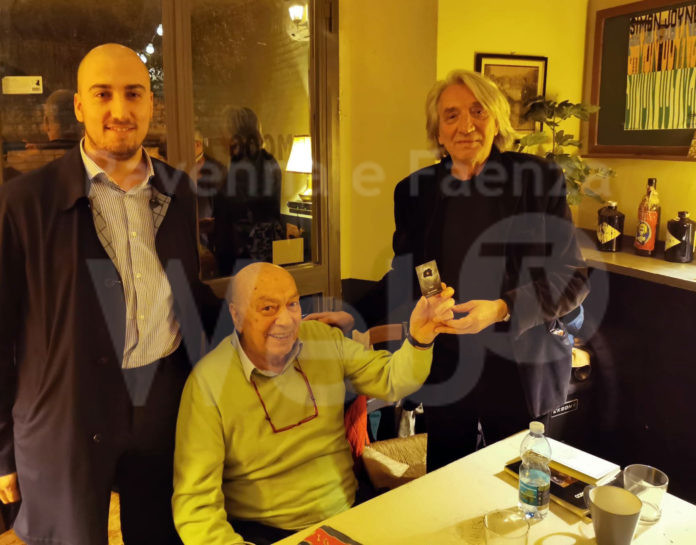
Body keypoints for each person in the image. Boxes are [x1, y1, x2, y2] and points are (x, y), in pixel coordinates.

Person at [0, 43, 224, 545]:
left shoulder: (178, 189)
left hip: (161, 402)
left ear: (151, 105)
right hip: (66, 413)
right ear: (80, 106)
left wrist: (265, 314)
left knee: (162, 533)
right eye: (103, 94)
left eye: (133, 94)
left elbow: (185, 295)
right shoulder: (24, 204)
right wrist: (2, 449)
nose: (119, 110)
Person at [355, 69, 589, 471]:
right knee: (446, 476)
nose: (466, 126)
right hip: (448, 363)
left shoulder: (537, 180)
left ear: (496, 122)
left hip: (520, 365)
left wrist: (501, 308)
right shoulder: (414, 192)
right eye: (452, 115)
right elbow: (406, 275)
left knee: (517, 480)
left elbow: (572, 277)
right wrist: (352, 313)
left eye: (478, 112)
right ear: (438, 131)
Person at [172, 262, 455, 545]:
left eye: (292, 304)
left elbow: (391, 379)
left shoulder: (322, 340)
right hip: (267, 532)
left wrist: (420, 339)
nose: (286, 321)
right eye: (268, 308)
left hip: (348, 511)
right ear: (236, 315)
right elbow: (196, 507)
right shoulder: (209, 382)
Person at [214, 106, 283, 275]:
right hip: (261, 253)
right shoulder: (266, 160)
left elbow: (240, 212)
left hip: (244, 257)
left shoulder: (243, 166)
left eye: (224, 131)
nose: (220, 137)